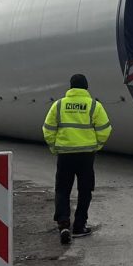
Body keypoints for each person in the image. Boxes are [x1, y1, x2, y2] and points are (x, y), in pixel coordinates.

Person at [42, 74, 112, 245]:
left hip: (65, 155)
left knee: (62, 189)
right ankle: (80, 226)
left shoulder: (58, 105)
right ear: (86, 87)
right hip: (86, 155)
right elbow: (105, 129)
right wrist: (96, 146)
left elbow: (48, 128)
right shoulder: (94, 105)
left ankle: (64, 224)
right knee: (85, 190)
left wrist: (54, 147)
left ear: (70, 87)